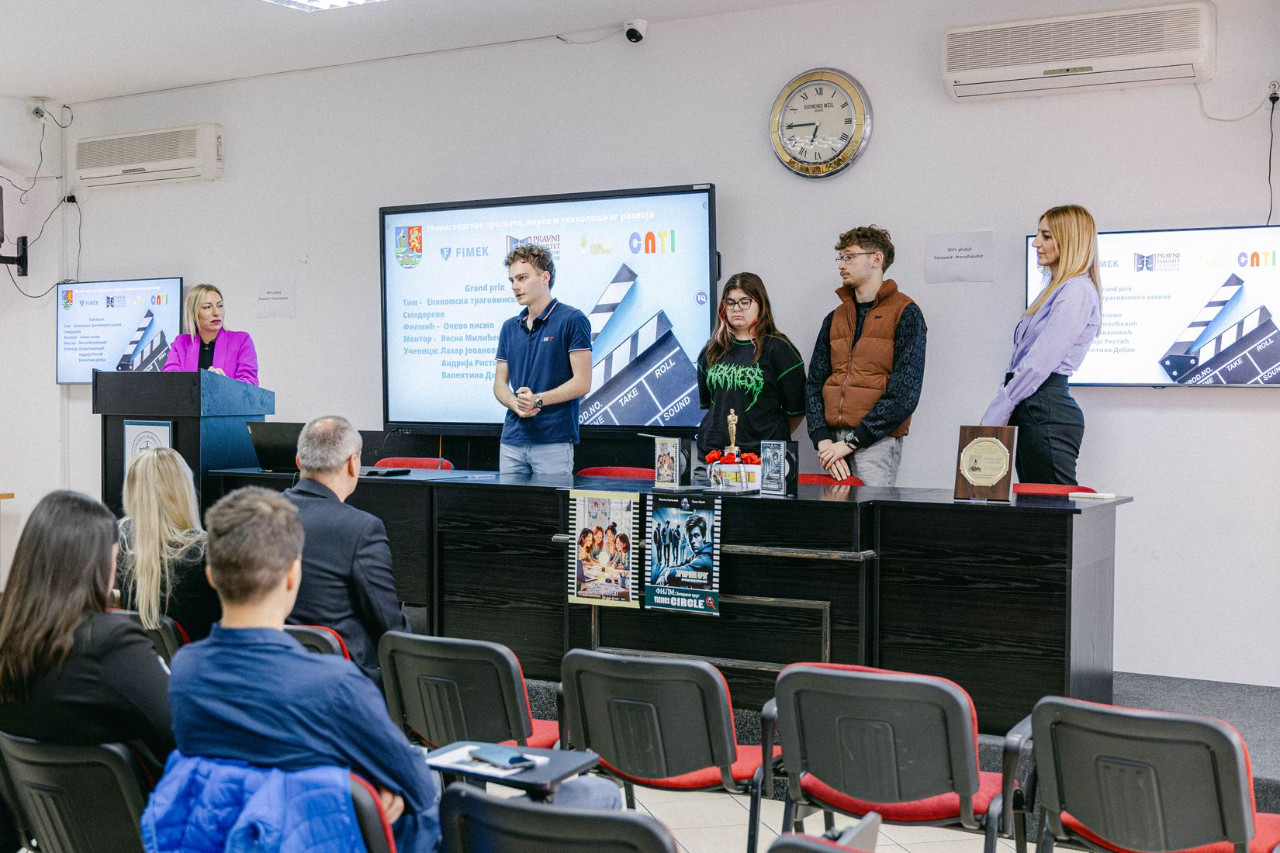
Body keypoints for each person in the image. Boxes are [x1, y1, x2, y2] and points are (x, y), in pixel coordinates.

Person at [156, 487, 618, 853]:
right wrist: (370, 793)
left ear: (212, 575)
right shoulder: (334, 683)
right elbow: (416, 788)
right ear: (292, 576)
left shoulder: (187, 672)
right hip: (385, 840)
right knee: (598, 796)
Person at [0, 491, 175, 849]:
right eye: (114, 560)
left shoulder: (8, 639)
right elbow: (181, 732)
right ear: (97, 565)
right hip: (149, 833)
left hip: (53, 837)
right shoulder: (108, 643)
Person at [283, 415, 409, 683]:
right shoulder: (361, 528)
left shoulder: (255, 514)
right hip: (343, 680)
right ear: (353, 464)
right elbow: (388, 623)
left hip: (270, 669)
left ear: (298, 461)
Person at [982, 205, 1102, 485]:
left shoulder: (1076, 290)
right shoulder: (1057, 289)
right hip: (1033, 407)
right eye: (1038, 235)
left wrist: (1001, 407)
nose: (1036, 243)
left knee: (1051, 507)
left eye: (1046, 236)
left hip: (1044, 409)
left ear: (1069, 240)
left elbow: (1039, 363)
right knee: (1036, 506)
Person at [805, 225, 927, 486]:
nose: (841, 265)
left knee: (872, 511)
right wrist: (822, 439)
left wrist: (853, 441)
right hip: (831, 447)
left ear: (876, 259)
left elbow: (905, 393)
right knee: (833, 513)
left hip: (875, 444)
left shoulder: (906, 313)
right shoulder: (834, 318)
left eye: (850, 257)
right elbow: (814, 383)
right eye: (840, 257)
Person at [492, 244, 592, 478]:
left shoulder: (572, 319)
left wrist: (537, 400)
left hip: (553, 440)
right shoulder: (509, 327)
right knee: (508, 504)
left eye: (522, 278)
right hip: (512, 441)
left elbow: (582, 383)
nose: (515, 286)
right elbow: (499, 384)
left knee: (550, 504)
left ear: (545, 277)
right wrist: (515, 403)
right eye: (512, 280)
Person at [695, 272, 806, 457]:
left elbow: (796, 410)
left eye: (744, 302)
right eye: (730, 302)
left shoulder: (779, 349)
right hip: (715, 455)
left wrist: (767, 438)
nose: (736, 308)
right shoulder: (711, 350)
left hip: (763, 458)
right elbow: (711, 405)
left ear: (761, 304)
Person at [118, 448, 220, 640]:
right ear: (184, 489)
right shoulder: (206, 550)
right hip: (202, 656)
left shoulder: (120, 538)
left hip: (143, 655)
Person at [161, 283, 259, 385]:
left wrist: (224, 383)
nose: (217, 312)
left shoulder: (241, 340)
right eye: (207, 307)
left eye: (220, 306)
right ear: (194, 312)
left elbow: (250, 383)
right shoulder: (180, 342)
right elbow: (169, 380)